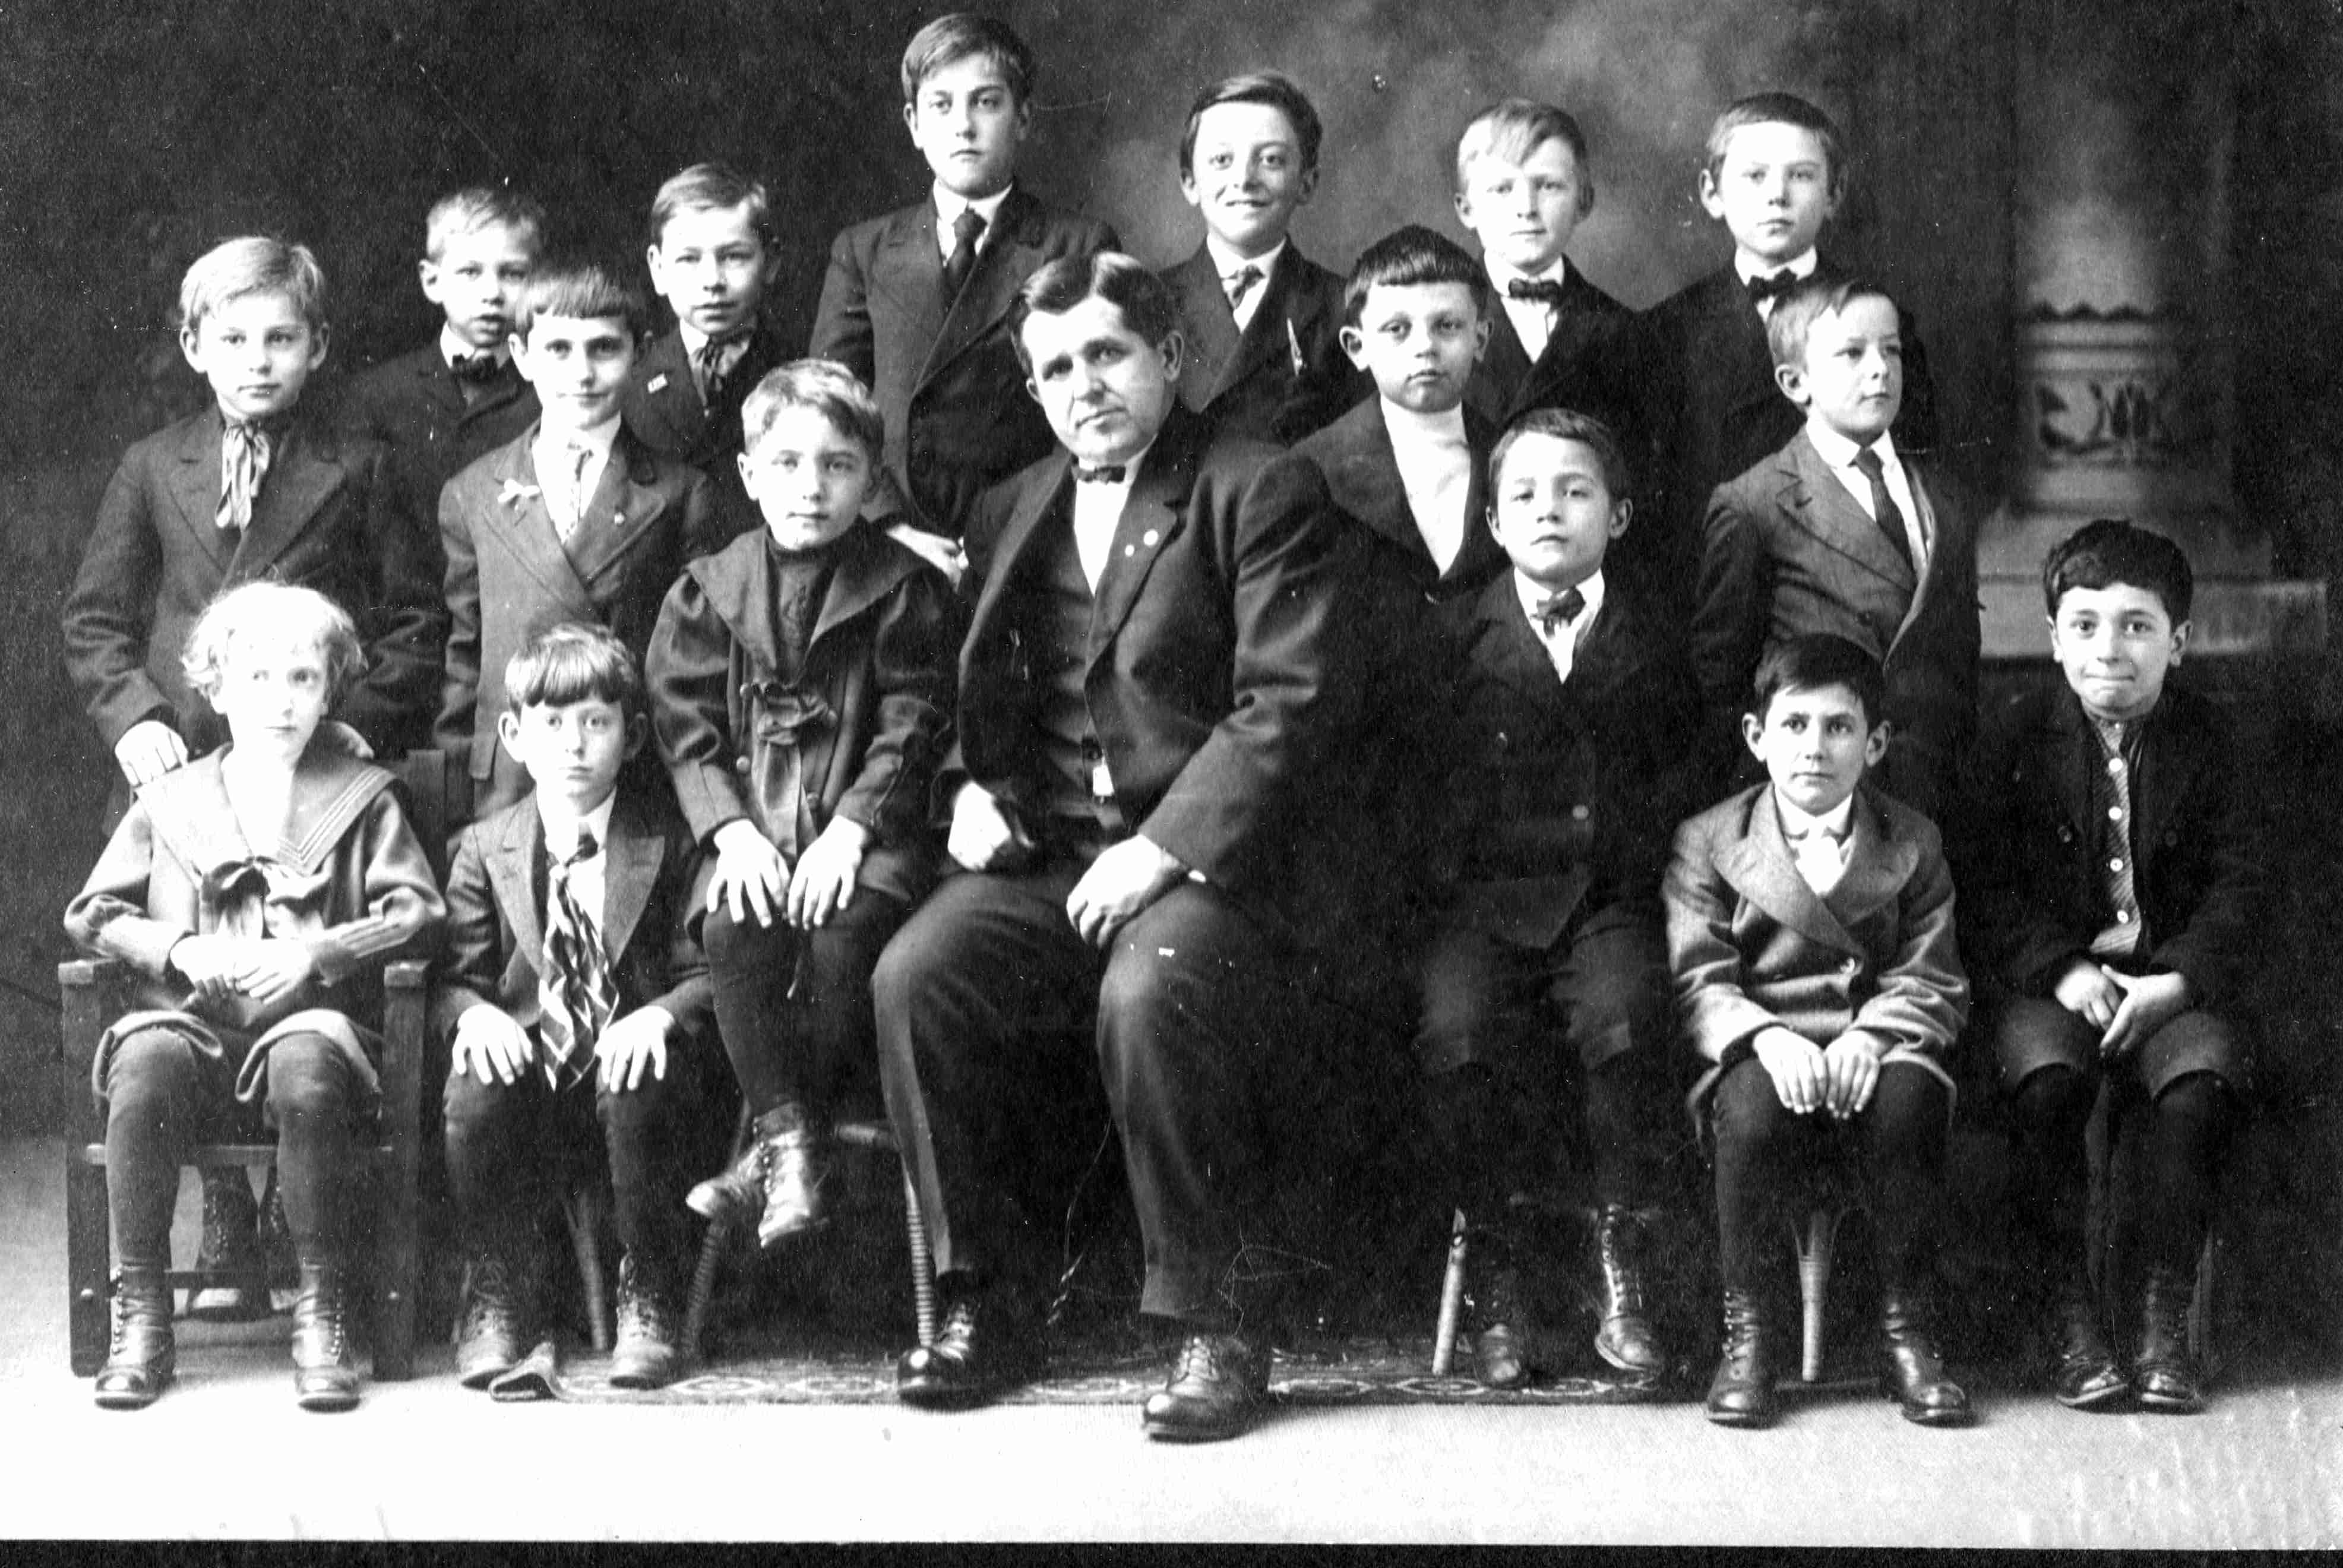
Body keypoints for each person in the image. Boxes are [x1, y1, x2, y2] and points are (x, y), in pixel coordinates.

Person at [871, 252, 1351, 1443]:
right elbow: (962, 704)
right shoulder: (1009, 503)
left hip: (1213, 870)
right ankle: (989, 1301)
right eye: (1056, 368)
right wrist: (964, 792)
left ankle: (1215, 1327)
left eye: (1107, 354)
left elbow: (1283, 707)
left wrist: (1165, 849)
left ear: (1169, 359)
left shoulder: (1257, 486)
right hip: (1051, 857)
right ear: (1032, 391)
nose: (1083, 385)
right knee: (919, 974)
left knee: (1152, 989)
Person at [61, 236, 443, 1311]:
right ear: (194, 346)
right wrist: (134, 717)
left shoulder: (358, 465)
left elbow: (415, 623)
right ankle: (226, 1229)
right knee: (184, 980)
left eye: (282, 338)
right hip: (181, 776)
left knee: (299, 990)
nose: (258, 359)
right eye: (233, 339)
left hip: (311, 774)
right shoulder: (153, 465)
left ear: (319, 347)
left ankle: (289, 1214)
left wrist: (346, 724)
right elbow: (95, 621)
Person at [64, 581, 445, 1411]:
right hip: (195, 1022)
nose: (281, 702)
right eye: (259, 680)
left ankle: (321, 1307)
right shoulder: (170, 800)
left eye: (305, 680)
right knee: (144, 1063)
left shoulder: (362, 794)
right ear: (216, 687)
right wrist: (180, 945)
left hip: (311, 1025)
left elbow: (417, 910)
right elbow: (93, 911)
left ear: (331, 689)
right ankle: (144, 1312)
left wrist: (316, 953)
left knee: (308, 1063)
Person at [644, 361, 956, 1250]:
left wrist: (851, 832)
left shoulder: (902, 587)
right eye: (785, 464)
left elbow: (912, 722)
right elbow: (686, 727)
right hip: (752, 830)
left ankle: (778, 1154)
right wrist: (733, 834)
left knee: (842, 927)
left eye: (837, 466)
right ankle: (790, 1142)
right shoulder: (709, 587)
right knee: (732, 925)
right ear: (748, 475)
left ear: (870, 476)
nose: (811, 489)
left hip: (868, 831)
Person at [1415, 409, 1697, 1388]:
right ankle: (1502, 1272)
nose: (1550, 512)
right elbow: (1419, 788)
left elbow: (1684, 779)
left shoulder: (1661, 636)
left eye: (1575, 492)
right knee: (1458, 1034)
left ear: (1617, 517)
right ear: (1492, 522)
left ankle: (1626, 1269)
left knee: (1627, 1019)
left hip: (1609, 895)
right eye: (1525, 496)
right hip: (1486, 900)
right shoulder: (1453, 637)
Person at [1960, 520, 2264, 1414]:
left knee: (2195, 1088)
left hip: (2175, 985)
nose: (2110, 650)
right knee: (2047, 1083)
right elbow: (1986, 884)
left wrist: (2176, 980)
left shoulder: (2222, 743)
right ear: (2053, 640)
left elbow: (2247, 883)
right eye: (2085, 625)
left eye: (2137, 627)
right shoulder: (2012, 742)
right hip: (2057, 988)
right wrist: (2060, 970)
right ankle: (2068, 1315)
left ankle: (2159, 1317)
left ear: (2179, 640)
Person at [1665, 634, 1971, 1429]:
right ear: (1755, 737)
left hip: (1875, 1047)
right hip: (1764, 1048)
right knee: (1750, 1113)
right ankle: (1750, 1339)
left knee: (1910, 1104)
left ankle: (1907, 1334)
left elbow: (1931, 973)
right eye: (1794, 726)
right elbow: (1700, 975)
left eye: (1838, 728)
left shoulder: (1914, 839)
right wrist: (1764, 1037)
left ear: (1874, 743)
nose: (1814, 748)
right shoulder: (1709, 839)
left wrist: (1871, 1037)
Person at [437, 624, 717, 1391]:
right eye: (551, 724)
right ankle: (498, 1283)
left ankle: (647, 1286)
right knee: (474, 1082)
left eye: (596, 723)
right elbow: (448, 977)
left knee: (641, 1070)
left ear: (631, 739)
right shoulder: (484, 847)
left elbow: (706, 973)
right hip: (533, 1085)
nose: (573, 745)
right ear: (513, 735)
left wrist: (660, 1014)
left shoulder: (670, 840)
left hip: (632, 1087)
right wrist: (471, 1013)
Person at [810, 12, 1118, 542]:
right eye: (941, 104)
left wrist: (1011, 531)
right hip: (891, 537)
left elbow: (1090, 411)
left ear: (1022, 119)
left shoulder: (1077, 245)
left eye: (986, 102)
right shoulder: (864, 251)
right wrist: (888, 525)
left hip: (1025, 536)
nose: (963, 125)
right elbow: (828, 408)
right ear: (913, 124)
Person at [1636, 93, 1937, 617]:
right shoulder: (1664, 333)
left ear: (1834, 192)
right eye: (1754, 177)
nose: (1776, 196)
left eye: (1800, 176)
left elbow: (1916, 483)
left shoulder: (1884, 324)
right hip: (1713, 600)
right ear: (1712, 193)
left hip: (1849, 602)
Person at [1689, 276, 1978, 820]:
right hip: (1820, 803)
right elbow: (1721, 683)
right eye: (1851, 353)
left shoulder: (1944, 497)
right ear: (1795, 382)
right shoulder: (1754, 503)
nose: (1879, 369)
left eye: (1890, 350)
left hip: (1936, 802)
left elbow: (1957, 663)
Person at [437, 259, 715, 820]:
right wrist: (454, 807)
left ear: (639, 352)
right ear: (521, 356)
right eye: (558, 350)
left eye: (604, 349)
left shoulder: (681, 494)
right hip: (510, 780)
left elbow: (691, 665)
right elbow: (465, 666)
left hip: (627, 770)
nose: (581, 373)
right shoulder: (472, 493)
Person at [337, 186, 546, 575]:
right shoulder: (377, 396)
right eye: (469, 272)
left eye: (513, 274)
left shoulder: (552, 392)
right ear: (431, 281)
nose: (491, 293)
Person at [1157, 71, 1364, 445]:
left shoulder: (1343, 306)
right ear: (1190, 183)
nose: (1244, 179)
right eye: (1221, 160)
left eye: (1270, 160)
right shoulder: (1148, 301)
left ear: (1306, 183)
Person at [619, 162, 792, 543]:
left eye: (734, 257)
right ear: (658, 268)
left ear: (771, 263)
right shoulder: (629, 376)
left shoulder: (798, 365)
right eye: (689, 259)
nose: (712, 281)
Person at [1450, 100, 1639, 445]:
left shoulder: (1626, 332)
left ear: (1584, 202)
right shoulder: (1438, 324)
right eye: (1502, 189)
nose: (1526, 209)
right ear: (1466, 210)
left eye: (1548, 186)